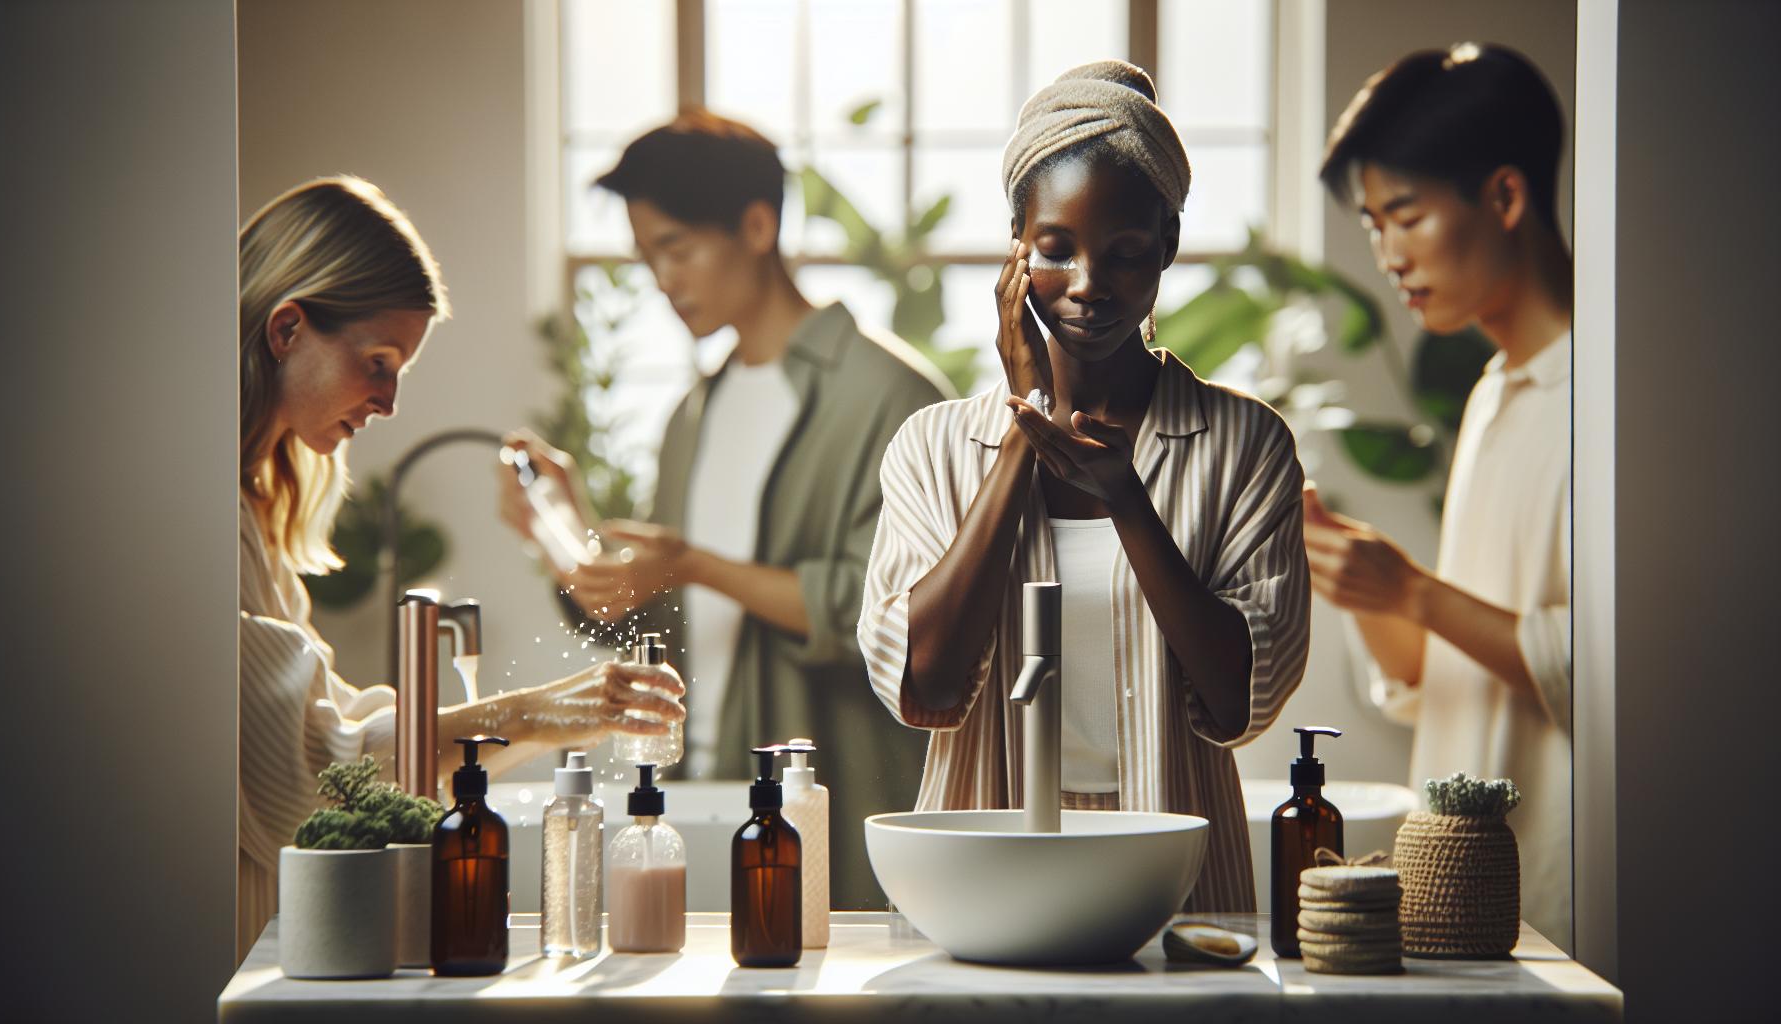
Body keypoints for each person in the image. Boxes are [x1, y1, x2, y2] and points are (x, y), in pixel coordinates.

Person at [857, 61, 1310, 911]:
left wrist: (1127, 500)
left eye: (1126, 254)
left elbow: (1237, 700)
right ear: (1016, 248)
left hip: (1175, 885)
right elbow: (926, 688)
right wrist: (1027, 426)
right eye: (1057, 250)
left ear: (1168, 247)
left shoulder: (1248, 445)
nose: (1090, 285)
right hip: (978, 882)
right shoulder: (933, 448)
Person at [499, 111, 953, 909]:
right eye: (648, 259)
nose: (664, 280)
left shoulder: (892, 398)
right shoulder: (692, 415)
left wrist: (693, 562)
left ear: (757, 224)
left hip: (832, 813)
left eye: (676, 249)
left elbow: (899, 620)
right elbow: (655, 621)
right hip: (692, 798)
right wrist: (563, 535)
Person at [239, 176, 684, 949]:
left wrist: (553, 712)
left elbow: (342, 731)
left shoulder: (256, 513)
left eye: (398, 370)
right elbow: (319, 770)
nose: (388, 402)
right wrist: (544, 711)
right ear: (286, 329)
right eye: (377, 361)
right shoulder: (190, 516)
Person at [1308, 43, 1573, 950]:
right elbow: (1445, 675)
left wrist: (1414, 590)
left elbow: (1616, 671)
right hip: (1456, 890)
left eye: (1406, 217)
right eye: (1375, 225)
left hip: (1559, 883)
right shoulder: (1497, 392)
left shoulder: (1609, 402)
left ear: (1504, 197)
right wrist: (1365, 585)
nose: (1386, 255)